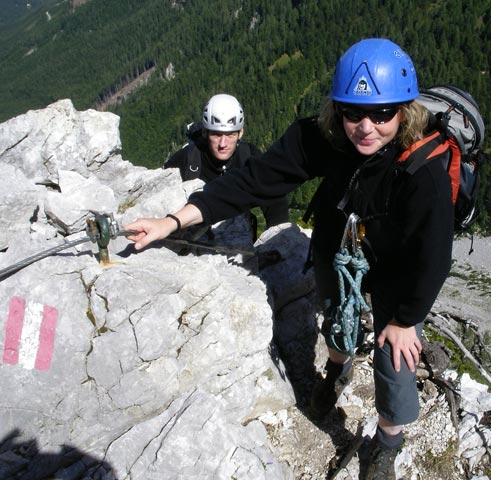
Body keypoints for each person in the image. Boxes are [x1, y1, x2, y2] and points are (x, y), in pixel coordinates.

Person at [125, 38, 453, 479]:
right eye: (353, 112)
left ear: (404, 111)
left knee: (394, 355)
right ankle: (337, 370)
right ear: (337, 110)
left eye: (382, 113)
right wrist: (172, 221)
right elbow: (252, 181)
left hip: (399, 261)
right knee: (338, 314)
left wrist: (406, 319)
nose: (366, 127)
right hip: (341, 243)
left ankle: (388, 444)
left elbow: (433, 255)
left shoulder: (422, 166)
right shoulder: (322, 139)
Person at [164, 93, 289, 240]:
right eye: (216, 135)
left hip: (238, 242)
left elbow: (275, 202)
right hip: (193, 240)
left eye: (230, 135)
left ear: (240, 133)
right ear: (205, 132)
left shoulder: (249, 157)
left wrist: (276, 241)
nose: (223, 144)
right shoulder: (187, 159)